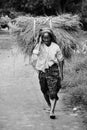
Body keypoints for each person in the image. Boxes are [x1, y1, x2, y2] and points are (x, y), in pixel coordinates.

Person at [31, 28, 64, 119]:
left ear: (51, 37)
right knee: (44, 91)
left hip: (53, 70)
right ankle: (50, 106)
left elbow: (61, 60)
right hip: (42, 71)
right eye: (44, 38)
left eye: (47, 38)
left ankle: (52, 111)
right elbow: (35, 54)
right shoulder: (39, 46)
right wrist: (39, 41)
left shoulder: (55, 46)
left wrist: (61, 72)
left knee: (52, 92)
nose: (46, 40)